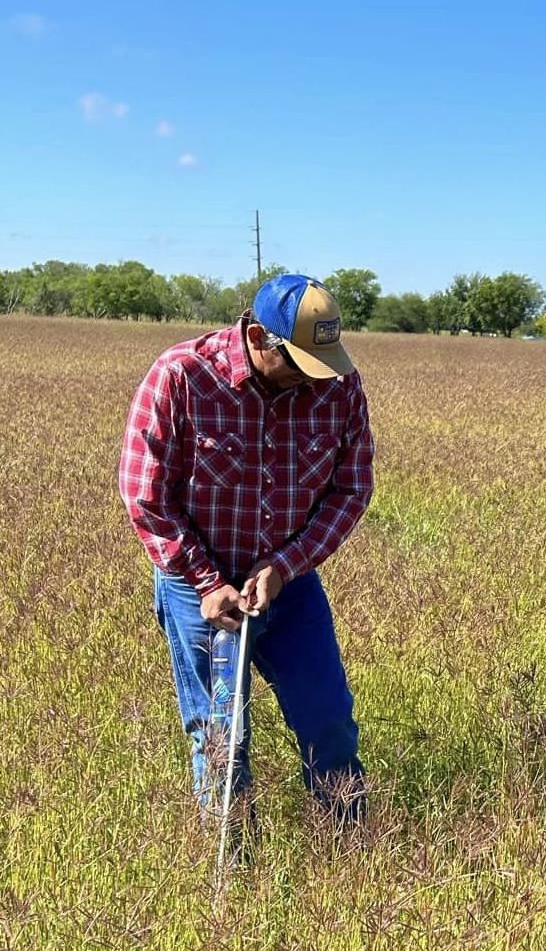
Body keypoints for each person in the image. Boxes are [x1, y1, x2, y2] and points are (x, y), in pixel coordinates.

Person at [119, 273, 374, 851]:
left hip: (289, 586)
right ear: (259, 336)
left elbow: (351, 489)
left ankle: (352, 857)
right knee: (220, 736)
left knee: (327, 720)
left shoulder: (339, 385)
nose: (317, 378)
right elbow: (145, 495)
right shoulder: (181, 376)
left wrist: (286, 564)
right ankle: (234, 873)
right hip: (197, 586)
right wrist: (207, 582)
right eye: (301, 362)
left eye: (324, 361)